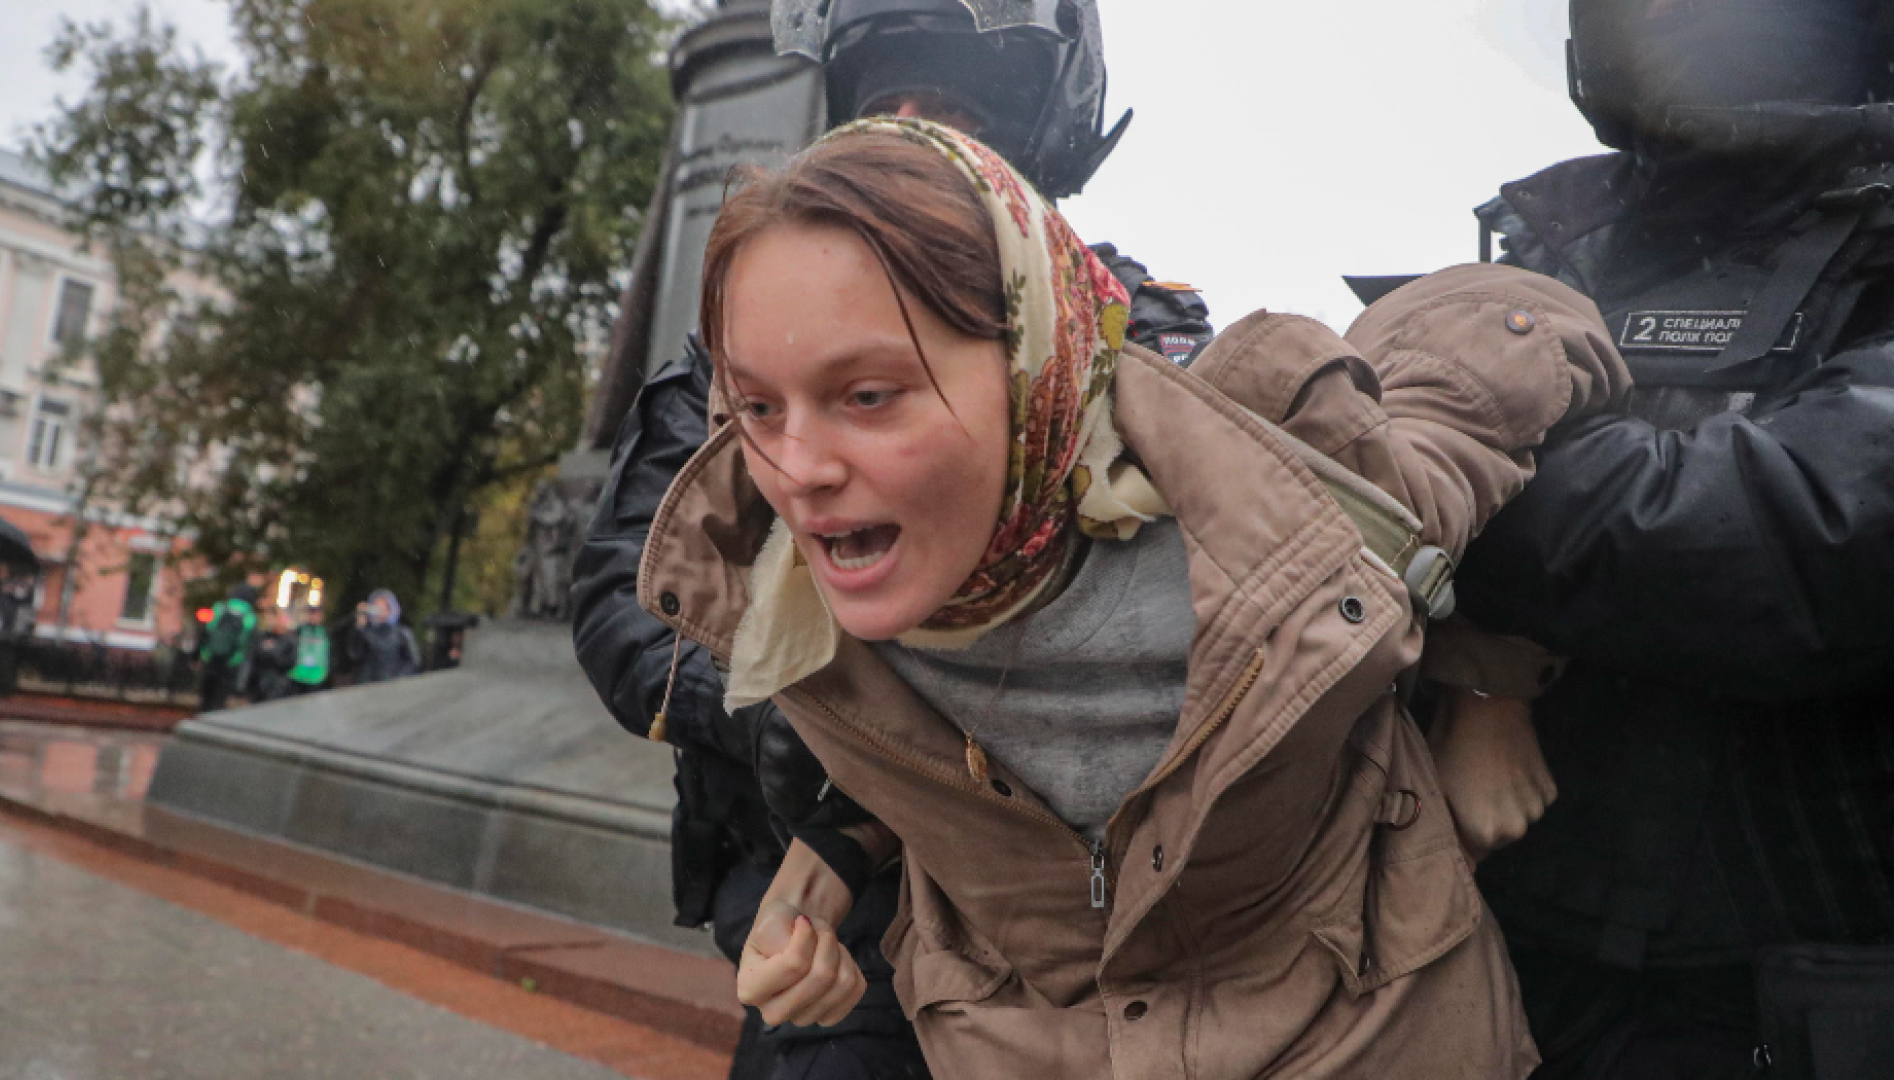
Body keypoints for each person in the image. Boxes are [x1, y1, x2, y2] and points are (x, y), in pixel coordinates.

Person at [636, 118, 1628, 1079]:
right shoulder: (787, 589)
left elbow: (1507, 326)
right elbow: (953, 756)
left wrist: (1492, 681)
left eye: (868, 396)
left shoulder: (1275, 490)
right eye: (758, 405)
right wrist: (827, 859)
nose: (797, 468)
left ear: (1031, 361)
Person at [572, 4, 1210, 1077]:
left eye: (953, 111)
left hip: (1078, 909)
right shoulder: (747, 338)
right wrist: (778, 717)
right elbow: (626, 594)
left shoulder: (1135, 321)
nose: (909, 133)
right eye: (887, 106)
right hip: (832, 922)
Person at [1420, 1, 1894, 1075]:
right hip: (1518, 949)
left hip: (1819, 975)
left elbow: (1799, 536)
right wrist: (1479, 681)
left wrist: (1452, 478)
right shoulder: (1557, 235)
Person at [198, 583, 258, 713]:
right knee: (221, 695)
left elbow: (207, 630)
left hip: (212, 657)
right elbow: (246, 641)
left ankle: (202, 715)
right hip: (231, 662)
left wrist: (204, 653)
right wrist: (237, 659)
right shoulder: (249, 615)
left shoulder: (220, 607)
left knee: (207, 692)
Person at [347, 589, 420, 685]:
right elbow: (355, 656)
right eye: (376, 607)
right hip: (369, 685)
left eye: (383, 607)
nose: (380, 610)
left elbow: (413, 661)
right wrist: (359, 627)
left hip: (395, 685)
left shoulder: (402, 633)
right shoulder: (366, 633)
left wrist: (398, 679)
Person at [244, 608, 299, 703]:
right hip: (259, 685)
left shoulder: (290, 639)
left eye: (271, 618)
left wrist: (272, 652)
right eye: (267, 618)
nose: (269, 621)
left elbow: (290, 662)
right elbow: (252, 660)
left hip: (279, 686)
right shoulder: (262, 637)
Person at [288, 605, 332, 693]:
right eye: (312, 614)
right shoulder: (300, 630)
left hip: (318, 675)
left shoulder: (326, 631)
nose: (314, 617)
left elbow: (331, 652)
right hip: (300, 674)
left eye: (316, 614)